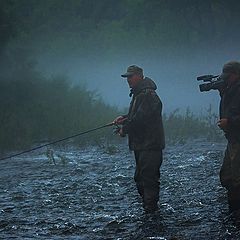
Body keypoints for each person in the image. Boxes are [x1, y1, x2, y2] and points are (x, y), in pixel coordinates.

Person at [114, 65, 165, 213]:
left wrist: (125, 129)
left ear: (139, 76)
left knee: (148, 179)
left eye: (130, 77)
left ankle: (151, 213)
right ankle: (149, 211)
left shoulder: (148, 94)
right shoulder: (139, 94)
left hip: (150, 145)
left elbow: (141, 119)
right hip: (142, 145)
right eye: (126, 77)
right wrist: (123, 119)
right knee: (140, 179)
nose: (128, 80)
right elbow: (137, 116)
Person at [218, 61, 240, 212]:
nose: (226, 79)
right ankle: (233, 211)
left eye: (229, 76)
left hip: (237, 138)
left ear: (236, 74)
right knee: (227, 176)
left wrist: (230, 122)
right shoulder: (231, 89)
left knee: (236, 178)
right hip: (233, 138)